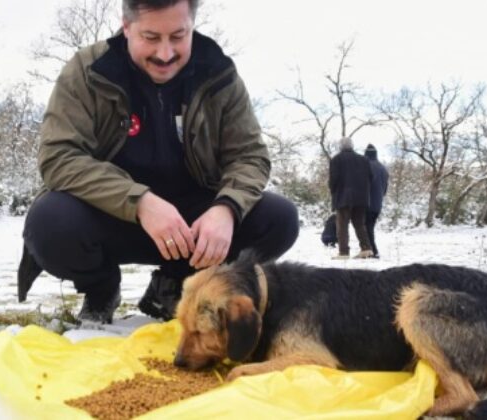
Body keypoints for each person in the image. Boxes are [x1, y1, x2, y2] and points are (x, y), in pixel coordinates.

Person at [17, 0, 299, 324]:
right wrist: (140, 201)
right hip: (110, 214)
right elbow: (58, 156)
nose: (165, 54)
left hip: (194, 225)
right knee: (49, 222)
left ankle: (175, 284)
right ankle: (102, 287)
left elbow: (249, 156)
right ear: (126, 26)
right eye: (150, 38)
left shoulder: (219, 73)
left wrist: (226, 209)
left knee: (280, 219)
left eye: (178, 36)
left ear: (192, 24)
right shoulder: (87, 70)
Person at [328, 136, 373, 259]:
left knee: (342, 226)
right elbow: (370, 177)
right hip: (361, 198)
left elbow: (333, 181)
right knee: (360, 224)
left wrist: (333, 192)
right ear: (352, 146)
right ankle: (366, 249)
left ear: (340, 146)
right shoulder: (364, 160)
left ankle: (344, 252)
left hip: (343, 197)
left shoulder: (336, 160)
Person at [364, 144, 389, 258]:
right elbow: (384, 189)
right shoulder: (383, 168)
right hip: (377, 204)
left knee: (366, 228)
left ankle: (372, 251)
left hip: (366, 203)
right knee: (370, 228)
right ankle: (370, 250)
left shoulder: (365, 166)